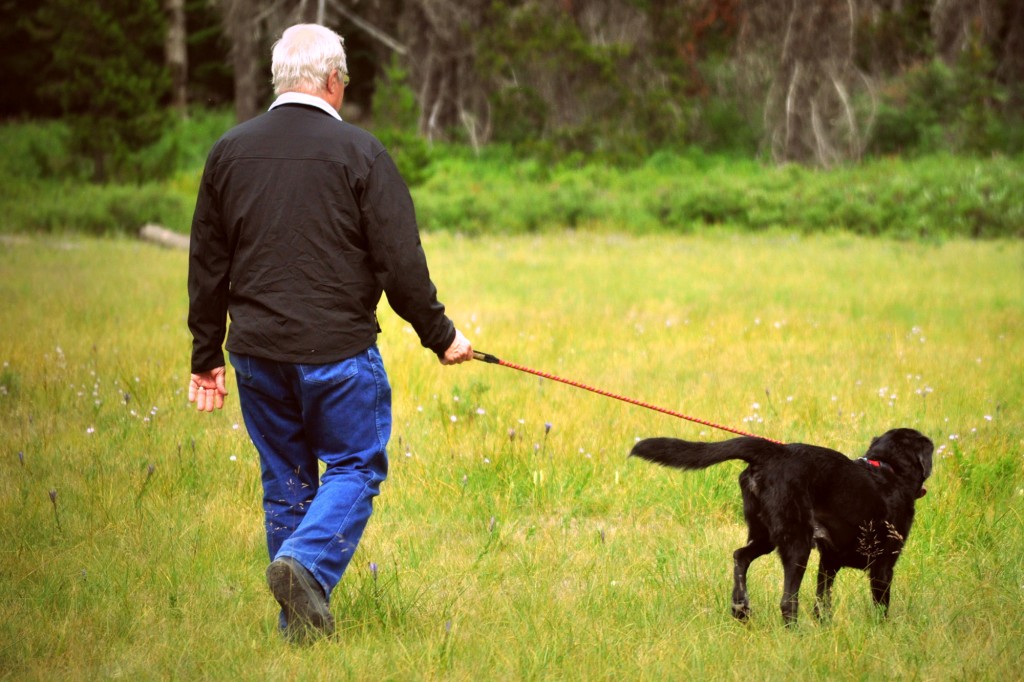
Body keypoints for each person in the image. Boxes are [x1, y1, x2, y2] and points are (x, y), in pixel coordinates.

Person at [186, 23, 473, 642]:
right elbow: (400, 260)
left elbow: (208, 263)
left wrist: (204, 354)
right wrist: (441, 335)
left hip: (256, 354)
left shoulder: (228, 152)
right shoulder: (362, 154)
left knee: (286, 481)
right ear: (334, 82)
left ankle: (299, 630)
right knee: (355, 466)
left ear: (279, 81)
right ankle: (305, 568)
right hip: (337, 354)